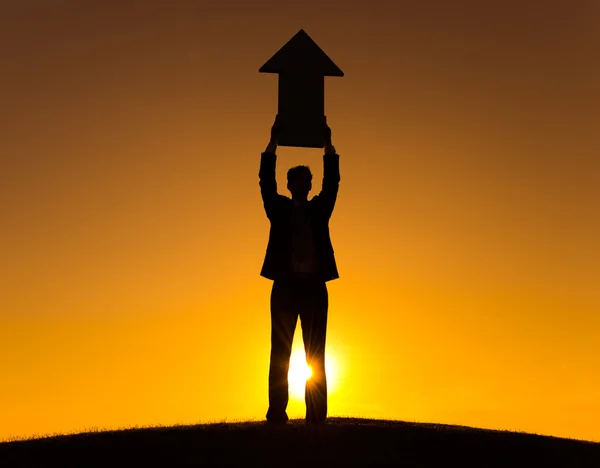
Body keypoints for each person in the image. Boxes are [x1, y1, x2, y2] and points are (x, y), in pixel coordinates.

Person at [259, 114, 340, 424]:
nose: (302, 185)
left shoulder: (319, 210)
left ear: (308, 185)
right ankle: (277, 412)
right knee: (280, 353)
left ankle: (316, 415)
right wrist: (273, 142)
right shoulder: (278, 209)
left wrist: (329, 145)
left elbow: (332, 183)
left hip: (315, 288)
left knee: (315, 354)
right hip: (284, 287)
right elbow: (266, 183)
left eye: (306, 181)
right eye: (297, 181)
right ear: (291, 185)